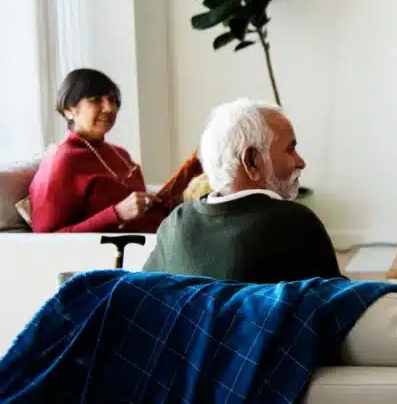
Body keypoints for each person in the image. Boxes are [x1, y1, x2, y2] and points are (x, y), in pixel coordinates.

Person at [143, 98, 345, 283]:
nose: (301, 162)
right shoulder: (296, 223)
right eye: (290, 149)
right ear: (252, 162)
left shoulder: (175, 224)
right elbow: (340, 308)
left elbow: (145, 294)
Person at [29, 69, 171, 233]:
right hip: (116, 255)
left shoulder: (120, 153)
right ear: (69, 109)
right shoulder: (61, 161)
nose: (109, 108)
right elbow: (45, 241)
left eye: (112, 100)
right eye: (95, 100)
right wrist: (116, 214)